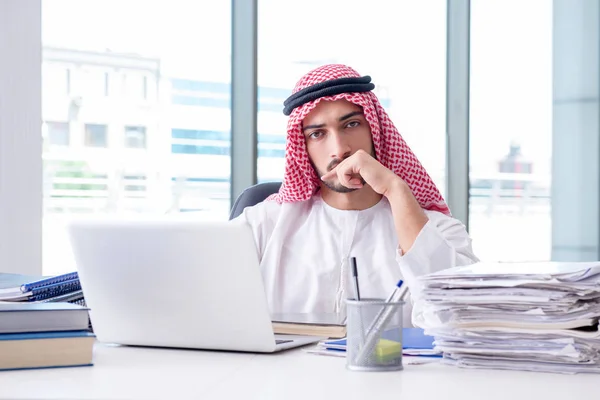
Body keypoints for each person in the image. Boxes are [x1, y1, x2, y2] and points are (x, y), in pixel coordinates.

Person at [235, 64, 479, 325]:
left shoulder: (441, 231)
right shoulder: (262, 225)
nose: (339, 150)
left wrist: (396, 189)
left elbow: (462, 318)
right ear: (303, 147)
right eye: (317, 134)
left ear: (376, 131)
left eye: (351, 124)